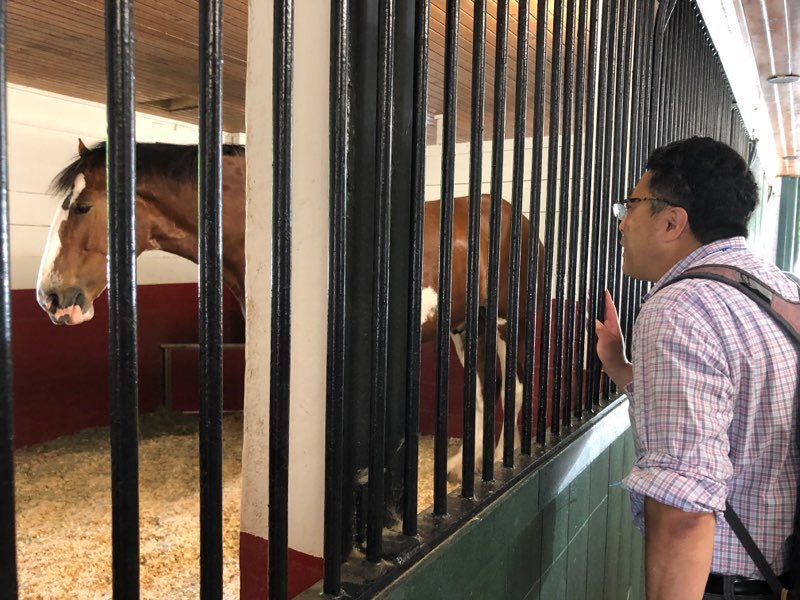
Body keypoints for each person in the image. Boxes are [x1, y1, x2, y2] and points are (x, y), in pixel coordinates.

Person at [595, 136, 800, 600]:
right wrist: (623, 370)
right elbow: (738, 414)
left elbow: (683, 512)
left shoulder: (681, 308)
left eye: (630, 206)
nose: (622, 224)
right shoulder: (780, 290)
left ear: (672, 221)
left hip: (725, 586)